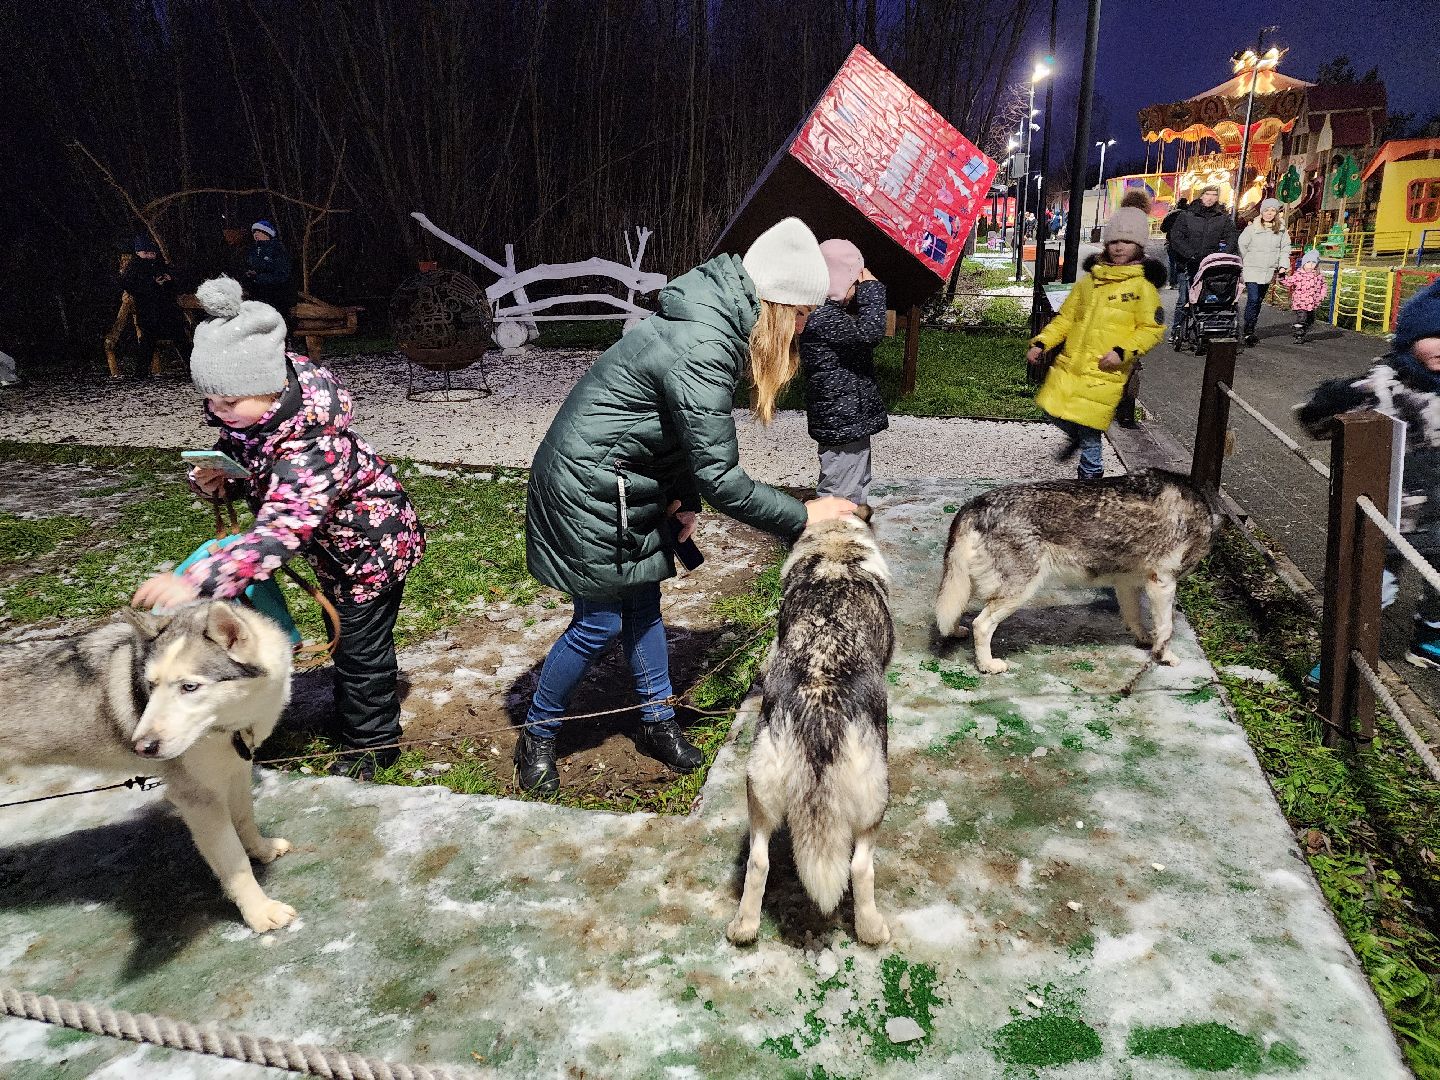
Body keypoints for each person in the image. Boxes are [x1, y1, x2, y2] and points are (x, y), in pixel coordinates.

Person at [518, 218, 855, 794]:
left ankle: (657, 720)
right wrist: (806, 516)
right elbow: (724, 476)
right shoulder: (705, 342)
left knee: (645, 608)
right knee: (599, 622)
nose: (804, 328)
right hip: (589, 488)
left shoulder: (713, 324)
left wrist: (682, 496)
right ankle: (539, 732)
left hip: (628, 483)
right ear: (777, 305)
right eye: (802, 314)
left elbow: (676, 433)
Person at [132, 275, 425, 780]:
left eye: (228, 404)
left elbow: (282, 528)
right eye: (212, 403)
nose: (217, 414)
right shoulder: (259, 415)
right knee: (354, 649)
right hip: (332, 547)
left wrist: (196, 581)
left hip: (372, 553)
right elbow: (254, 469)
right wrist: (217, 480)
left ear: (269, 388)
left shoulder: (314, 444)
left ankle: (374, 743)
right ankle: (358, 713)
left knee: (361, 648)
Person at [1296, 281, 1440, 672]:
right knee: (1372, 587)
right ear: (1410, 338)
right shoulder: (1386, 385)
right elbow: (1315, 419)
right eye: (1434, 337)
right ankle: (1343, 657)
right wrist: (1333, 399)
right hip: (1393, 512)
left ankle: (1430, 638)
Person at [1026, 191, 1166, 479]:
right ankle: (1079, 443)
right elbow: (1066, 318)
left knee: (1090, 429)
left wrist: (1123, 352)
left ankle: (1090, 479)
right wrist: (1042, 342)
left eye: (1126, 241)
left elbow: (1151, 329)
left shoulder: (1143, 288)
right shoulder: (1090, 282)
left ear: (1139, 245)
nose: (1118, 247)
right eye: (1113, 241)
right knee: (1050, 409)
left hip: (1105, 368)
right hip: (1071, 364)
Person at [797, 239, 888, 506]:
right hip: (843, 421)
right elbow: (871, 332)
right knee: (839, 493)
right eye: (855, 283)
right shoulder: (825, 317)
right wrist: (872, 288)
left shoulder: (823, 315)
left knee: (853, 484)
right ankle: (829, 539)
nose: (858, 291)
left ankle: (846, 532)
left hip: (845, 418)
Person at [1167, 185, 1239, 340]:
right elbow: (1176, 237)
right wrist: (1189, 253)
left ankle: (1207, 327)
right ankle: (1177, 329)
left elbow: (1231, 236)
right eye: (1208, 194)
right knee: (1184, 299)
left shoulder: (1222, 217)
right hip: (1188, 263)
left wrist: (1224, 254)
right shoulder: (1187, 215)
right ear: (1201, 196)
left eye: (1214, 195)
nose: (1210, 198)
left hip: (1209, 264)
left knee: (1207, 298)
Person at [119, 235, 185, 377]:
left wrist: (170, 279)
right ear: (138, 253)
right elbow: (130, 284)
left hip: (167, 310)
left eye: (152, 253)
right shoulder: (135, 266)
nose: (149, 256)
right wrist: (152, 284)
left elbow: (177, 283)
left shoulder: (159, 263)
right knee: (147, 342)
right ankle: (140, 374)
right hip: (148, 311)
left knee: (180, 337)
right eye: (146, 253)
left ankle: (194, 369)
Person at [1238, 198, 1291, 346]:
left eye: (1272, 210)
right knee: (1253, 299)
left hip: (1268, 271)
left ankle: (1251, 328)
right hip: (1252, 269)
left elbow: (1285, 249)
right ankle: (1248, 331)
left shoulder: (1281, 230)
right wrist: (1243, 263)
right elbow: (1242, 246)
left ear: (1276, 213)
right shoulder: (1251, 229)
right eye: (1266, 210)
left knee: (1258, 301)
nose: (1269, 213)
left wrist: (1282, 266)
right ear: (1262, 212)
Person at [243, 220, 295, 319]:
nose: (256, 234)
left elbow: (282, 275)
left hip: (276, 296)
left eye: (259, 231)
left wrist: (259, 277)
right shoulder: (253, 250)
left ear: (267, 233)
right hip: (257, 295)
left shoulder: (278, 249)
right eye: (254, 232)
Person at [1287, 248, 1327, 343]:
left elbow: (1323, 287)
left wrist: (1322, 295)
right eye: (1308, 263)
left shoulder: (1319, 276)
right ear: (1304, 264)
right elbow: (1289, 281)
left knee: (1310, 320)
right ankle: (1298, 335)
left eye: (1313, 263)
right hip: (1300, 302)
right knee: (1302, 318)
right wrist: (1281, 277)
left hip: (1312, 303)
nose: (1311, 265)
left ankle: (1300, 330)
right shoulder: (1299, 274)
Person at [1160, 197, 1190, 288]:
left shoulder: (1170, 215)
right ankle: (1182, 283)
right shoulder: (1189, 215)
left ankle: (1172, 282)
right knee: (1182, 263)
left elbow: (1163, 229)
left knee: (1172, 262)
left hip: (1171, 242)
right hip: (1184, 242)